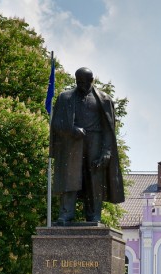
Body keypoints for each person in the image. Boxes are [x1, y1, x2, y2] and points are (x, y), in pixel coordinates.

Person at [49, 67, 124, 224]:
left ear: (91, 81)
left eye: (84, 82)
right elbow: (56, 123)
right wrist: (72, 129)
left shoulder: (103, 99)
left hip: (95, 141)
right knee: (70, 179)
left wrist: (106, 152)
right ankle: (66, 214)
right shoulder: (65, 97)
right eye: (78, 81)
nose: (80, 85)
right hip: (72, 143)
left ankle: (93, 215)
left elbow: (109, 130)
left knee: (94, 179)